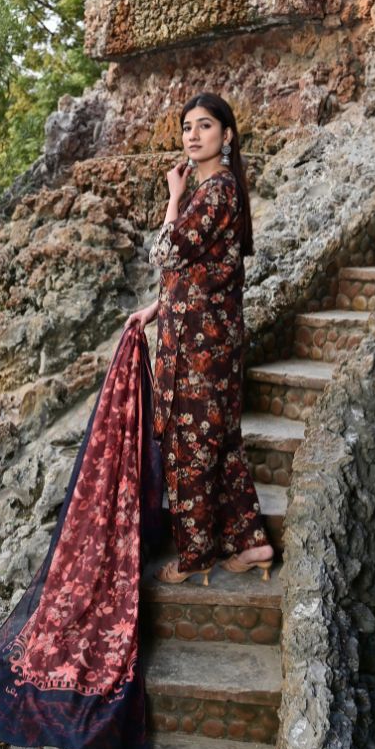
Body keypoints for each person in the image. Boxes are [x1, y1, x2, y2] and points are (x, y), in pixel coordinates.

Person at [124, 92, 274, 585]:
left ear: (226, 135)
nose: (192, 134)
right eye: (187, 126)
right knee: (221, 442)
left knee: (188, 447)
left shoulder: (215, 192)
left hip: (199, 346)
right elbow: (196, 269)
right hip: (208, 336)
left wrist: (172, 197)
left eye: (204, 125)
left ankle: (195, 556)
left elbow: (164, 253)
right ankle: (252, 543)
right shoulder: (218, 190)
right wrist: (155, 308)